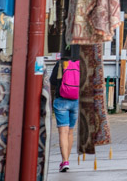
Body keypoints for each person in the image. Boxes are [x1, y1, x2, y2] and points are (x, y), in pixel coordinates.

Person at [49, 45, 81, 173]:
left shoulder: (61, 64)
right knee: (70, 131)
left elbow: (52, 81)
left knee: (63, 131)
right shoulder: (79, 64)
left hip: (61, 100)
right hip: (75, 100)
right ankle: (67, 160)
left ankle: (64, 161)